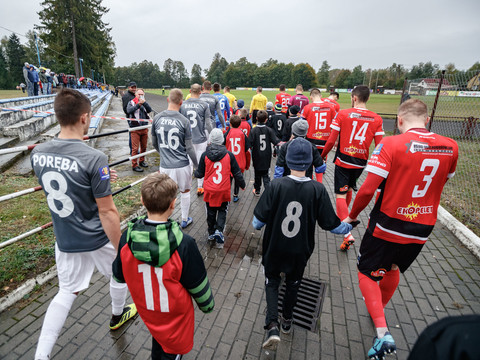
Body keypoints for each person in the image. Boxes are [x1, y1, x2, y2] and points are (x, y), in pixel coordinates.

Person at [344, 99, 458, 360]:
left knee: (366, 272)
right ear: (427, 120)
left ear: (399, 120)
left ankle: (382, 333)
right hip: (422, 227)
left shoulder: (391, 144)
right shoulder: (451, 147)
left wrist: (352, 216)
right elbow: (440, 181)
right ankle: (378, 310)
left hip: (388, 223)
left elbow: (368, 189)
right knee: (393, 268)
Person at [30, 89, 136, 360]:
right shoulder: (94, 158)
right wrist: (120, 245)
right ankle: (116, 314)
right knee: (118, 273)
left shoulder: (37, 153)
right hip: (96, 236)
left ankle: (40, 356)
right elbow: (108, 212)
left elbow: (65, 179)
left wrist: (100, 178)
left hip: (65, 237)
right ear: (85, 118)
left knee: (66, 293)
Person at [252, 137, 353, 350]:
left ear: (287, 160)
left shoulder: (276, 185)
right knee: (293, 284)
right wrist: (348, 227)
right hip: (300, 249)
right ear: (309, 163)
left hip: (274, 246)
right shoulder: (317, 189)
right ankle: (287, 320)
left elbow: (256, 223)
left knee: (271, 281)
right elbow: (330, 225)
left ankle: (272, 324)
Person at [112, 172, 215, 359]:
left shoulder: (127, 238)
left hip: (149, 315)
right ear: (173, 204)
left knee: (158, 346)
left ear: (142, 201)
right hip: (175, 323)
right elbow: (199, 288)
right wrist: (207, 305)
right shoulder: (185, 244)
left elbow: (118, 275)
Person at [321, 85, 384, 251]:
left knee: (340, 196)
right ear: (367, 98)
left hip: (343, 160)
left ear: (354, 98)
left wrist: (321, 157)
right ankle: (344, 216)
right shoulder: (377, 118)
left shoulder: (343, 114)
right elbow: (380, 146)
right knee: (347, 189)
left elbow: (330, 140)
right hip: (361, 163)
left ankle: (347, 232)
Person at [152, 88, 199, 229]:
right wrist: (197, 165)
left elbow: (155, 143)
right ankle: (184, 219)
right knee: (185, 191)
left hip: (166, 165)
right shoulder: (184, 121)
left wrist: (165, 154)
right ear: (181, 102)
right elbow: (189, 147)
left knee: (166, 194)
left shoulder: (157, 118)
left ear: (168, 99)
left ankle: (166, 221)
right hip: (182, 164)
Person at [194, 129, 245, 248]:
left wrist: (195, 173)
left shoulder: (205, 155)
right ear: (222, 140)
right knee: (223, 210)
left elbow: (200, 173)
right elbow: (237, 173)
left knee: (210, 211)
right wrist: (242, 184)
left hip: (210, 189)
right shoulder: (229, 155)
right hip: (223, 189)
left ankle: (211, 232)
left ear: (210, 139)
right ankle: (219, 230)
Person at [179, 83, 213, 196]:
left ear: (189, 91)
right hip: (201, 138)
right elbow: (208, 123)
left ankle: (187, 186)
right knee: (200, 163)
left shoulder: (183, 105)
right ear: (201, 91)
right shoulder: (204, 105)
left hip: (187, 139)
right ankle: (199, 187)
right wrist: (211, 136)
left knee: (188, 162)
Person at [301, 88, 337, 182]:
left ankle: (309, 184)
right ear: (321, 96)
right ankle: (320, 185)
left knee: (309, 164)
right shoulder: (331, 107)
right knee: (319, 163)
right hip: (325, 141)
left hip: (311, 140)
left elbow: (301, 125)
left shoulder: (307, 107)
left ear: (311, 97)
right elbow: (336, 125)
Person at [248, 110, 280, 196]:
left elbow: (249, 143)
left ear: (256, 118)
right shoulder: (269, 130)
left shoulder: (253, 130)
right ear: (266, 119)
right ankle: (268, 191)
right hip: (266, 155)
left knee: (257, 174)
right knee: (266, 175)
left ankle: (257, 190)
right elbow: (276, 142)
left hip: (256, 155)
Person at [224, 115, 250, 202]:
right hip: (240, 161)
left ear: (230, 124)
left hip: (229, 162)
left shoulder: (228, 133)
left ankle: (227, 195)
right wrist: (247, 164)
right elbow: (247, 150)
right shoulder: (242, 134)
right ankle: (235, 195)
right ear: (239, 124)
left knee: (228, 179)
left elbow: (222, 144)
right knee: (238, 179)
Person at [126, 88, 152, 172]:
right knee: (135, 148)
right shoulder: (131, 102)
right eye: (139, 94)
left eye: (142, 94)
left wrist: (144, 103)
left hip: (144, 128)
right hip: (135, 128)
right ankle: (134, 165)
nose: (140, 96)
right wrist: (138, 105)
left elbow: (149, 110)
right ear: (135, 95)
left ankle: (142, 161)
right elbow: (129, 110)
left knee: (144, 147)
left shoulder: (145, 102)